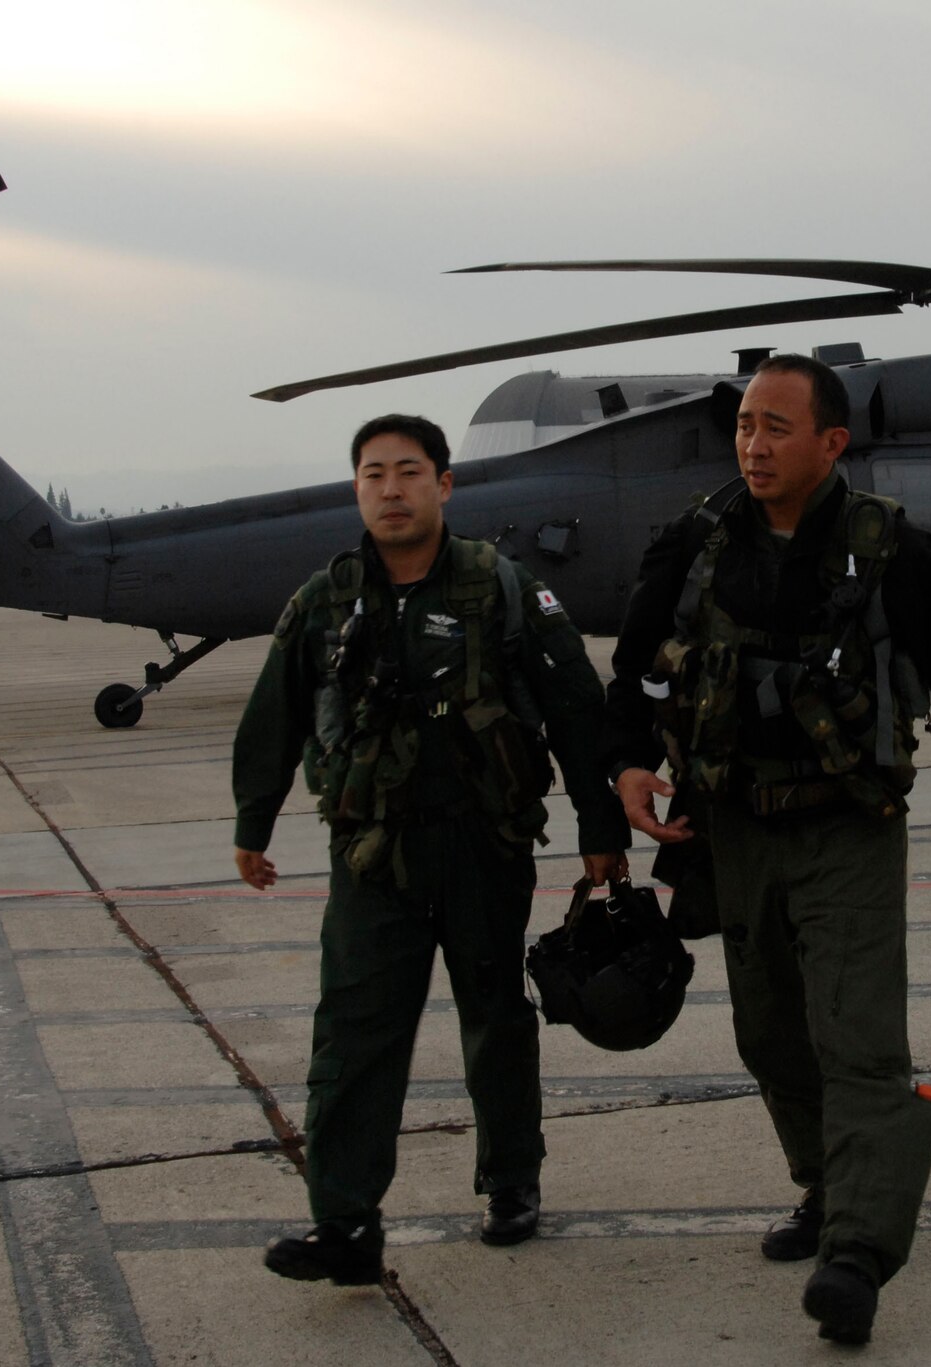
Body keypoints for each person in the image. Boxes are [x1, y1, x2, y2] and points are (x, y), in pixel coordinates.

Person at [604, 355, 931, 1345]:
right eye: (744, 426)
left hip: (846, 827)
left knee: (857, 1037)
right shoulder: (697, 541)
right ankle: (827, 1186)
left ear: (831, 443)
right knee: (768, 1034)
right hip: (732, 829)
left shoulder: (888, 551)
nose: (752, 445)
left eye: (776, 427)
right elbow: (633, 670)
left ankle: (857, 1252)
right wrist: (627, 761)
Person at [233, 413, 629, 1286]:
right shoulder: (326, 600)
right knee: (353, 1031)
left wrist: (601, 831)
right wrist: (251, 823)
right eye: (373, 474)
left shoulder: (503, 586)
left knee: (495, 1016)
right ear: (356, 489)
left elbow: (576, 707)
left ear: (444, 485)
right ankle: (345, 1221)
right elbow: (274, 714)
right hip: (373, 856)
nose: (391, 489)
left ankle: (512, 1180)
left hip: (483, 844)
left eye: (409, 472)